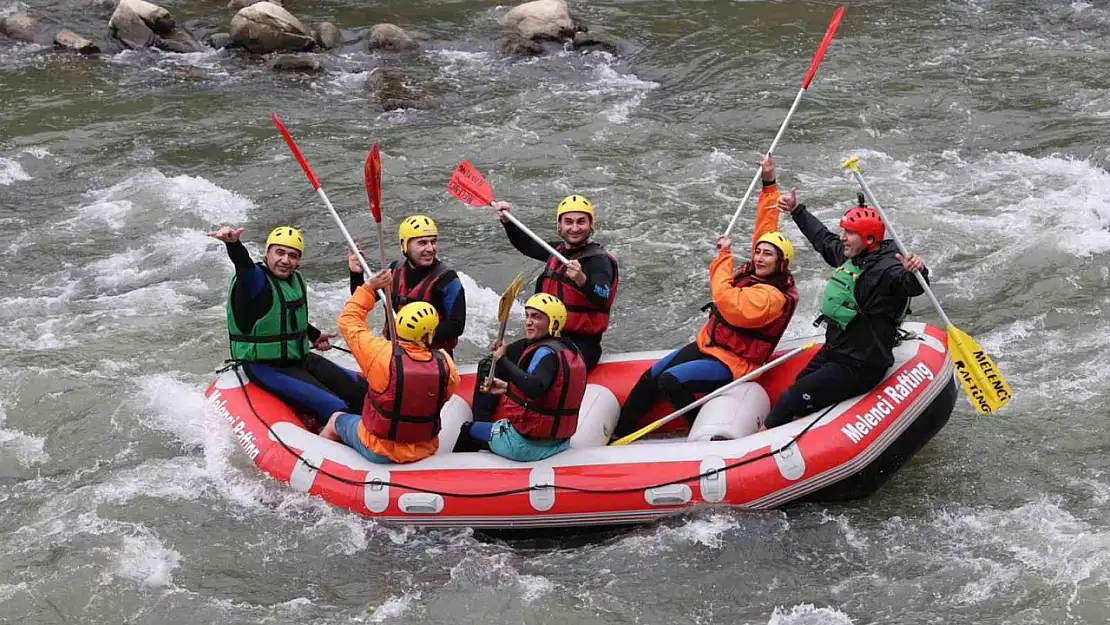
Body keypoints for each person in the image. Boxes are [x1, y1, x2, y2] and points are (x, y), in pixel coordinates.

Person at [611, 156, 799, 440]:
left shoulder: (771, 297)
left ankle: (701, 431)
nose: (759, 257)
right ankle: (618, 435)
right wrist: (769, 182)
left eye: (767, 254)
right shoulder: (759, 271)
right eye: (758, 252)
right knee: (651, 376)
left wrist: (724, 256)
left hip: (735, 362)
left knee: (670, 380)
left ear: (780, 263)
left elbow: (727, 301)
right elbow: (766, 226)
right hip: (709, 344)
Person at [763, 190, 928, 429]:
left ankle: (760, 441)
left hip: (861, 365)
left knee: (790, 400)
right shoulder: (854, 254)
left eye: (849, 233)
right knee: (799, 388)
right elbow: (823, 240)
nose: (842, 237)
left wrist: (917, 271)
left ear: (869, 239)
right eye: (844, 231)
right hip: (835, 351)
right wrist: (797, 211)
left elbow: (911, 285)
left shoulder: (889, 269)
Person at [209, 225, 367, 428]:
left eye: (293, 255)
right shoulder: (254, 281)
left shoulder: (293, 280)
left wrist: (314, 335)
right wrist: (234, 244)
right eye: (279, 252)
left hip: (299, 358)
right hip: (265, 366)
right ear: (267, 253)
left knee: (361, 390)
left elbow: (287, 315)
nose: (285, 260)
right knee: (334, 407)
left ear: (299, 261)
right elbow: (244, 266)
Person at [321, 276, 460, 464]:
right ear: (431, 333)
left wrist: (368, 288)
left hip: (379, 449)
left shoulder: (380, 354)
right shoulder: (447, 366)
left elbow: (348, 322)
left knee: (336, 419)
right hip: (424, 450)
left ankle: (322, 466)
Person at [490, 195, 618, 370]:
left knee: (542, 370)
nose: (574, 228)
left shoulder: (599, 261)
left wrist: (582, 279)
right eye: (568, 222)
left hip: (581, 345)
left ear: (591, 225)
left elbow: (602, 295)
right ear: (559, 225)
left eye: (581, 222)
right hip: (548, 337)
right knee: (492, 364)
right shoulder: (557, 251)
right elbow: (527, 245)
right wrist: (507, 222)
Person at [454, 294, 587, 461]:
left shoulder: (546, 354)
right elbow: (545, 394)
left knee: (469, 430)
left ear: (553, 322)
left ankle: (454, 478)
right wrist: (507, 388)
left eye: (536, 317)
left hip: (526, 446)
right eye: (528, 316)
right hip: (560, 441)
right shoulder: (570, 350)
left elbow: (534, 388)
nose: (528, 322)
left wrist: (501, 360)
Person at [348, 215, 466, 356]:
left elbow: (456, 326)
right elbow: (361, 299)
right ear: (405, 245)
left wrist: (415, 334)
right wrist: (356, 274)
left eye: (433, 242)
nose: (430, 248)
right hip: (396, 353)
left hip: (432, 358)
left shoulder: (447, 279)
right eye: (422, 243)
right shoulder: (393, 271)